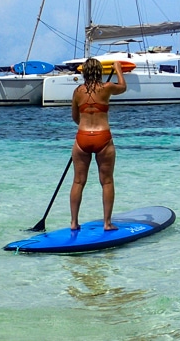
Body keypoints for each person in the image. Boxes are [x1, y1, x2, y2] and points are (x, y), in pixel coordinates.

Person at [70, 58, 127, 231]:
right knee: (107, 182)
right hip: (103, 137)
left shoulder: (77, 91)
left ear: (84, 72)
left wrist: (86, 123)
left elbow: (75, 118)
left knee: (78, 182)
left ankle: (73, 223)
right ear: (99, 72)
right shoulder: (107, 87)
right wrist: (118, 69)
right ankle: (107, 223)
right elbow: (123, 87)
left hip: (82, 138)